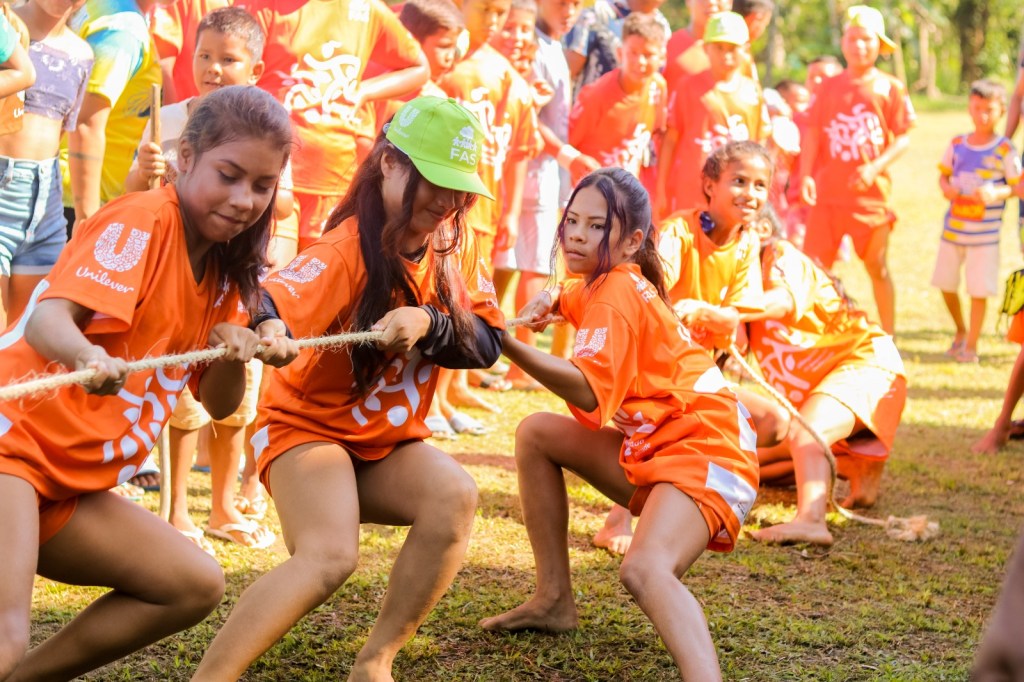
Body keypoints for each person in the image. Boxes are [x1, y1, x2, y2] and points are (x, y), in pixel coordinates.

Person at [191, 96, 505, 681]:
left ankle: (375, 663)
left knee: (455, 495)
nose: (444, 201)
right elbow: (271, 299)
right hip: (305, 433)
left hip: (385, 444)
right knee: (330, 556)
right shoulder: (347, 246)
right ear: (389, 164)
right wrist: (270, 329)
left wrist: (430, 323)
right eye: (430, 179)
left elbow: (488, 340)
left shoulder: (453, 246)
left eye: (458, 188)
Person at [0, 85, 297, 680]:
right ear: (185, 156)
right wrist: (87, 353)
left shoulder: (228, 265)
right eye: (229, 175)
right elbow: (48, 317)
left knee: (192, 583)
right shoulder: (141, 218)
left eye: (262, 186)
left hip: (68, 484)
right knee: (5, 637)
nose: (244, 200)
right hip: (12, 451)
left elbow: (219, 405)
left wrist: (234, 354)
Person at [478, 167, 758, 681]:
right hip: (663, 449)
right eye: (572, 222)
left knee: (644, 568)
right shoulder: (603, 281)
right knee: (536, 433)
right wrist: (553, 299)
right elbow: (572, 296)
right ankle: (553, 599)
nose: (578, 236)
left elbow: (587, 388)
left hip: (709, 452)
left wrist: (506, 343)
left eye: (596, 226)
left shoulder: (617, 290)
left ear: (631, 242)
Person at [597, 140, 787, 554]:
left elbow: (735, 312)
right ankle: (617, 520)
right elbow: (654, 286)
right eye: (738, 181)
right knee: (653, 427)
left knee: (773, 422)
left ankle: (682, 495)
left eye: (759, 185)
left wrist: (707, 313)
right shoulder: (680, 231)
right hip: (655, 372)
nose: (750, 194)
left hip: (703, 376)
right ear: (708, 185)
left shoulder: (746, 243)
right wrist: (690, 315)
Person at [746, 207, 906, 546]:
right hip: (828, 393)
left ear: (760, 229)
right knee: (745, 462)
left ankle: (811, 520)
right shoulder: (740, 289)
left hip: (865, 364)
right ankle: (852, 466)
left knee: (807, 433)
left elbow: (784, 300)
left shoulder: (781, 254)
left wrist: (725, 310)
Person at [250, 0, 429, 250]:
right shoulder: (262, 5)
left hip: (331, 174)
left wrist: (364, 91)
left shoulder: (367, 9)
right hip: (269, 170)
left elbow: (419, 68)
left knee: (315, 276)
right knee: (265, 278)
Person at [798, 5, 915, 335]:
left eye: (866, 39)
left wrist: (875, 167)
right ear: (843, 41)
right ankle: (814, 332)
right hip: (828, 194)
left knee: (876, 266)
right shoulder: (829, 86)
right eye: (853, 38)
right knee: (816, 267)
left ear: (879, 44)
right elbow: (813, 133)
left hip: (870, 196)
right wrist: (806, 174)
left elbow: (903, 138)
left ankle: (889, 335)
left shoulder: (890, 87)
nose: (859, 46)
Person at [494, 0, 585, 391]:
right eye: (564, 3)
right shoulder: (530, 50)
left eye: (578, 5)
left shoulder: (550, 48)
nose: (570, 11)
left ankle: (496, 360)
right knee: (528, 264)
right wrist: (567, 154)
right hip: (525, 170)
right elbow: (528, 121)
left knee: (513, 262)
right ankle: (514, 366)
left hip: (535, 172)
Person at [0, 0, 91, 330]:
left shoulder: (82, 53)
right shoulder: (6, 27)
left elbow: (80, 131)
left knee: (25, 336)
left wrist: (86, 214)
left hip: (46, 206)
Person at [933, 79, 1021, 364]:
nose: (983, 115)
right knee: (946, 285)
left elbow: (1018, 186)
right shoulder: (957, 144)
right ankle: (960, 330)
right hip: (954, 231)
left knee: (978, 290)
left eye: (989, 110)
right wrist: (945, 187)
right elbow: (943, 175)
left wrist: (998, 192)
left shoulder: (1005, 149)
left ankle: (971, 345)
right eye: (977, 108)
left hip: (985, 236)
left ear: (1002, 111)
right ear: (969, 109)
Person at [656, 11, 769, 219]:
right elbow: (670, 139)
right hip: (691, 190)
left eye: (733, 49)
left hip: (736, 193)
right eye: (719, 47)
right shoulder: (688, 87)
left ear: (745, 50)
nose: (726, 55)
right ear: (706, 48)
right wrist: (661, 188)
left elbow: (759, 145)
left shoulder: (752, 92)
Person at [62, 0, 162, 232]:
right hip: (81, 204)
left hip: (75, 195)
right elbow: (85, 122)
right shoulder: (123, 29)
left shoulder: (111, 10)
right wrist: (86, 217)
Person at [567, 12, 666, 184]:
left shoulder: (658, 87)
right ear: (620, 53)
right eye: (633, 53)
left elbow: (658, 131)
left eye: (648, 54)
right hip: (593, 193)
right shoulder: (595, 96)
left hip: (628, 194)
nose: (640, 62)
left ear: (662, 58)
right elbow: (569, 146)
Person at [663, 0, 730, 87]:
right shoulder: (666, 48)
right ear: (688, 1)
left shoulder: (740, 52)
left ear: (730, 2)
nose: (711, 2)